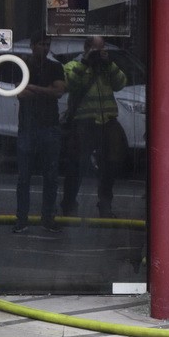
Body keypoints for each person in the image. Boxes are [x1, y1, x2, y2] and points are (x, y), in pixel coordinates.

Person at [60, 35, 128, 218]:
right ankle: (68, 204)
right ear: (86, 48)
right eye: (96, 50)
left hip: (107, 121)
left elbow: (121, 83)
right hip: (84, 123)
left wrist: (109, 63)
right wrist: (85, 62)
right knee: (76, 166)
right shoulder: (74, 65)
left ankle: (105, 205)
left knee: (110, 166)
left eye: (102, 49)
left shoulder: (106, 68)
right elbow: (70, 83)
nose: (99, 54)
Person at [13, 33, 66, 234]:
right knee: (23, 177)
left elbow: (59, 91)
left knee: (50, 176)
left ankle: (47, 218)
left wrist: (33, 87)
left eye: (47, 44)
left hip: (48, 126)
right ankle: (22, 219)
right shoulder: (23, 66)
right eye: (42, 44)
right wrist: (46, 89)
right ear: (32, 45)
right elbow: (19, 92)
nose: (45, 48)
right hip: (28, 126)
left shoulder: (55, 66)